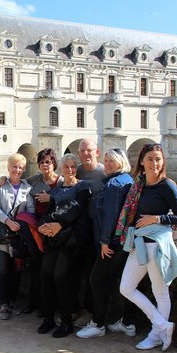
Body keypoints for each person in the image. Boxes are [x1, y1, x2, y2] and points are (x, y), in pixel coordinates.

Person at [117, 143, 177, 351]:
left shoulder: (167, 185)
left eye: (158, 159)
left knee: (160, 292)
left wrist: (155, 218)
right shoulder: (139, 185)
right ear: (141, 161)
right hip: (139, 243)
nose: (155, 163)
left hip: (156, 244)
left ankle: (156, 335)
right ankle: (163, 326)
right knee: (126, 287)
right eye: (150, 159)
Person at [76, 148, 137, 339]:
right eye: (106, 161)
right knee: (124, 282)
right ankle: (127, 323)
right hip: (126, 241)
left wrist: (104, 242)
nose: (108, 164)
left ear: (121, 162)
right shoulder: (128, 180)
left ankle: (98, 323)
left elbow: (110, 216)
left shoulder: (114, 184)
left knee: (96, 280)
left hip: (112, 242)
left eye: (112, 161)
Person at [37, 153, 91, 337]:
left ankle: (66, 321)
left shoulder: (83, 187)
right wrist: (44, 226)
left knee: (60, 277)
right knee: (46, 275)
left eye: (73, 167)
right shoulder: (57, 190)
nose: (69, 170)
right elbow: (48, 211)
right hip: (55, 238)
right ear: (61, 169)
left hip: (71, 240)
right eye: (66, 167)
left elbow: (78, 210)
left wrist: (58, 225)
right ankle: (49, 317)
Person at [0, 153, 35, 320]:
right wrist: (8, 221)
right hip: (4, 232)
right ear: (8, 168)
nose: (17, 170)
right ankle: (4, 303)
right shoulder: (0, 185)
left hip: (19, 235)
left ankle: (13, 300)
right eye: (14, 166)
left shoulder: (27, 188)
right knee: (3, 270)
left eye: (20, 167)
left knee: (17, 269)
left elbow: (30, 210)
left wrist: (21, 222)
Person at [21, 148, 63, 315]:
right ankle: (34, 302)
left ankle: (50, 306)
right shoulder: (35, 179)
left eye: (48, 162)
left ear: (54, 164)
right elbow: (18, 181)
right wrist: (2, 178)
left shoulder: (60, 182)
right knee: (35, 267)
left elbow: (69, 199)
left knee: (51, 271)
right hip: (37, 231)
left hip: (54, 231)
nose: (45, 165)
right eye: (42, 162)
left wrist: (51, 198)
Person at [72, 138, 106, 325]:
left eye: (89, 150)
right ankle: (77, 308)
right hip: (79, 227)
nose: (85, 153)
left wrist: (165, 179)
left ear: (97, 152)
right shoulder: (76, 170)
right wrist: (3, 178)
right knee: (78, 271)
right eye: (82, 151)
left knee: (92, 273)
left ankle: (89, 312)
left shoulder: (105, 171)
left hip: (98, 229)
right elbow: (54, 177)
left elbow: (129, 180)